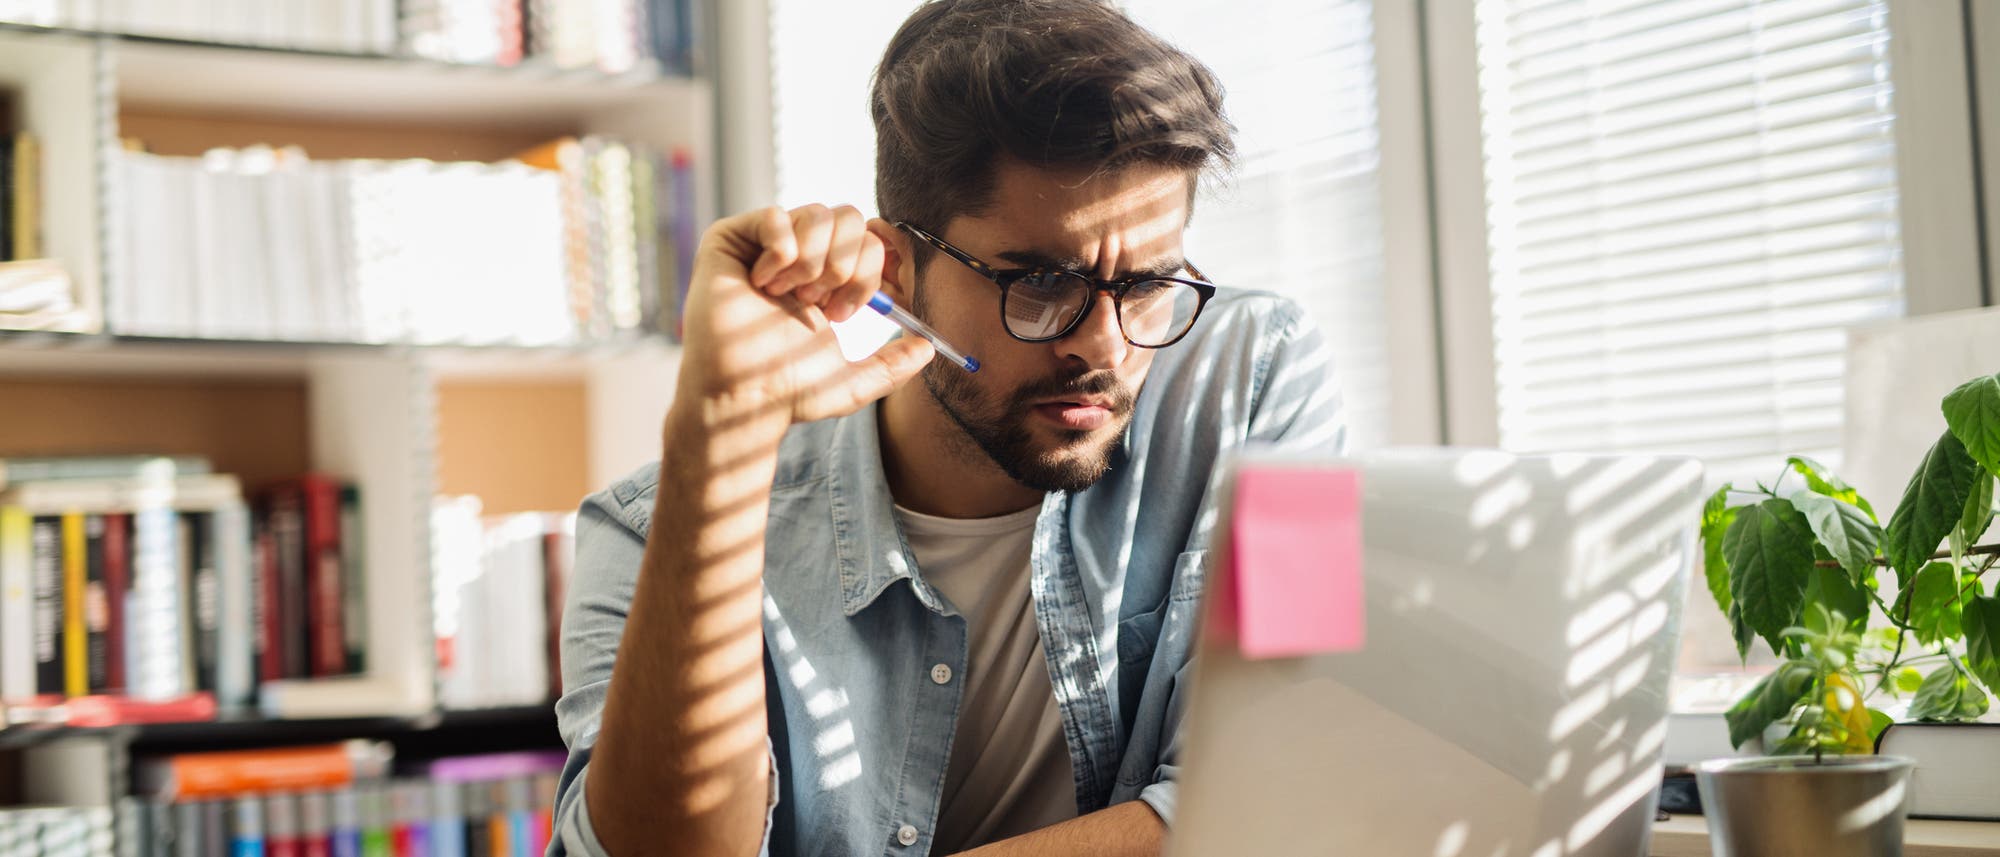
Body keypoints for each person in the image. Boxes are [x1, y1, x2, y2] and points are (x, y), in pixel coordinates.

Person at [549, 1, 1345, 854]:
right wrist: (721, 440)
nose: (1103, 349)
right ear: (897, 270)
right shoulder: (638, 532)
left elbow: (1294, 781)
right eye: (1040, 282)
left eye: (1147, 283)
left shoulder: (1260, 372)